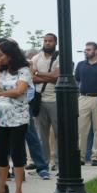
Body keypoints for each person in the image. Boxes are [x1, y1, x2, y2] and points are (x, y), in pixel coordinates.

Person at [0, 40, 32, 193]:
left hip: (18, 119)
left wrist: (1, 94)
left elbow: (19, 91)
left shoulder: (23, 70)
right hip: (0, 119)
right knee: (1, 154)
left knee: (17, 153)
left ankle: (18, 191)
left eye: (0, 55)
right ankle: (0, 189)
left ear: (10, 55)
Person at [31, 33, 60, 172]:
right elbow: (31, 78)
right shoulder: (36, 58)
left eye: (50, 41)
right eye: (45, 41)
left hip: (55, 100)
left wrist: (38, 74)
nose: (47, 43)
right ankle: (44, 164)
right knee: (42, 135)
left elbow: (57, 77)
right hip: (40, 100)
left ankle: (60, 162)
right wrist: (47, 77)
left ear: (55, 43)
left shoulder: (60, 57)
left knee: (59, 133)